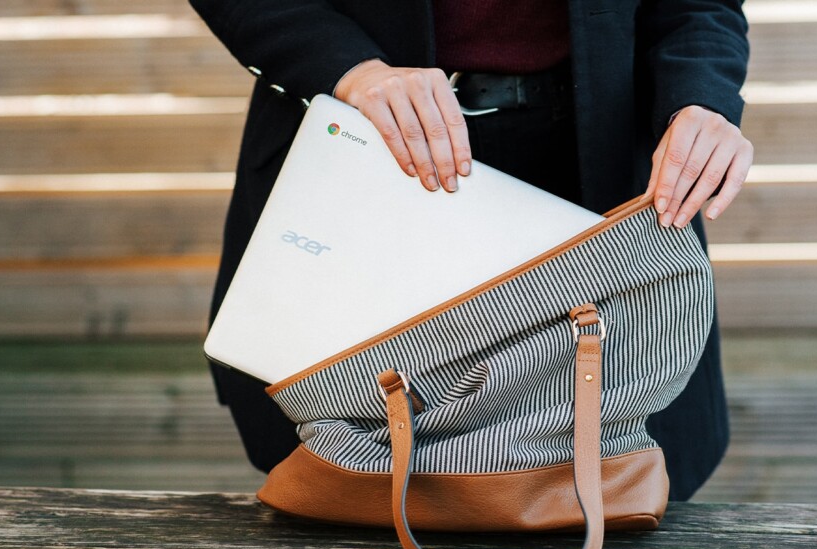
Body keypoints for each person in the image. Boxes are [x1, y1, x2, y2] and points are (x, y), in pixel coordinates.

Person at [190, 0, 752, 501]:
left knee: (622, 473)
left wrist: (701, 98)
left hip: (595, 168)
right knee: (343, 479)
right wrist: (351, 69)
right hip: (373, 144)